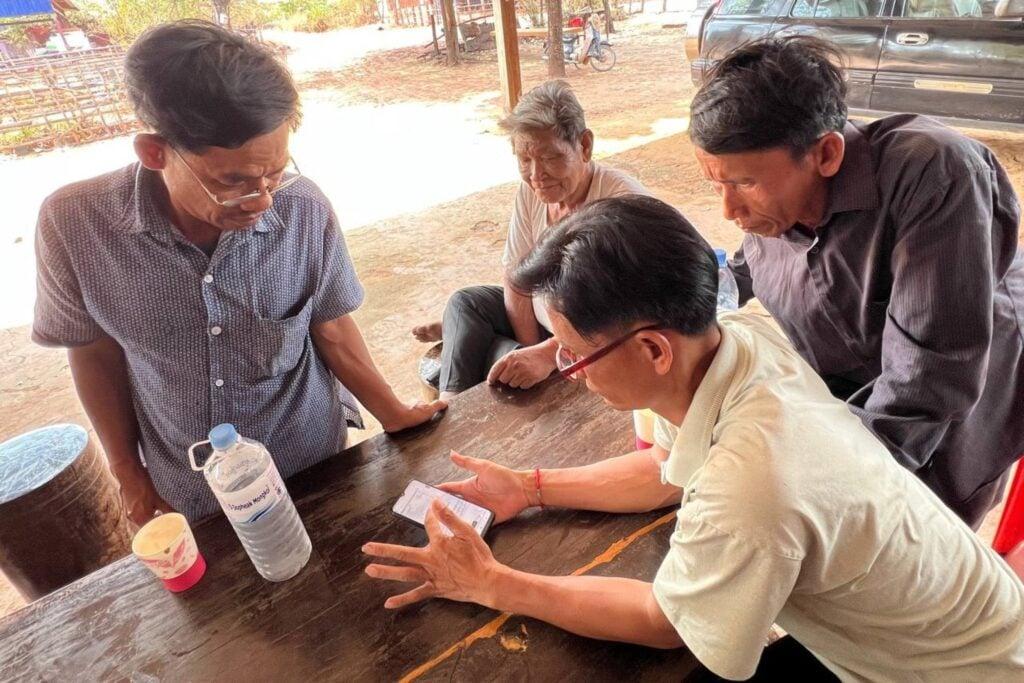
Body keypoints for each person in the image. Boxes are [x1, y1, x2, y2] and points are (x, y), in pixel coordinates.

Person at [365, 196, 1024, 681]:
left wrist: (492, 582)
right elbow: (663, 469)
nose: (570, 373)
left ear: (652, 348)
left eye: (571, 355)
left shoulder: (752, 481)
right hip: (947, 612)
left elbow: (666, 621)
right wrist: (532, 487)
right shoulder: (741, 335)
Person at [32, 21, 445, 525]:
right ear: (155, 152)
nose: (263, 199)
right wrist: (129, 475)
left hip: (315, 463)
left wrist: (395, 413)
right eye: (232, 180)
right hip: (191, 485)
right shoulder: (75, 224)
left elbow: (331, 328)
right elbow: (94, 353)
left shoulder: (303, 209)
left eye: (273, 172)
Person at [688, 36, 1024, 529]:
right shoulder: (771, 216)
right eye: (714, 184)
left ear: (825, 154)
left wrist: (840, 486)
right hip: (866, 390)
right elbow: (745, 271)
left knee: (928, 544)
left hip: (964, 389)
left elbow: (930, 376)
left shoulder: (934, 172)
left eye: (744, 184)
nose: (727, 210)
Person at [411, 81, 648, 399]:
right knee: (466, 303)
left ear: (585, 146)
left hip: (593, 345)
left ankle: (466, 341)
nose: (537, 174)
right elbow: (517, 278)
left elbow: (627, 315)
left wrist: (549, 354)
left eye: (551, 158)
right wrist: (529, 349)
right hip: (544, 324)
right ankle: (449, 402)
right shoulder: (531, 192)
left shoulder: (620, 204)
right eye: (524, 159)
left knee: (489, 353)